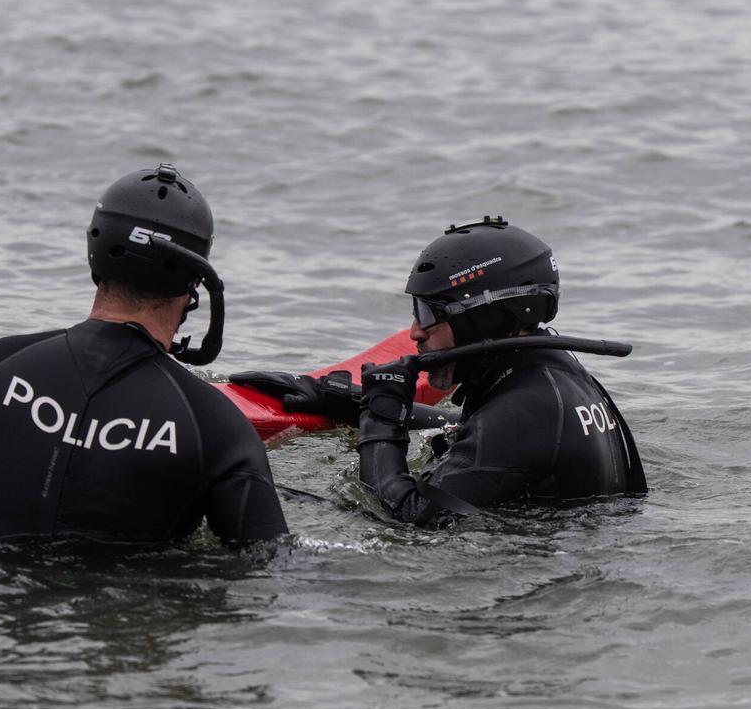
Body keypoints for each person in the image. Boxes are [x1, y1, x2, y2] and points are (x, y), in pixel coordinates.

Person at [0, 163, 288, 547]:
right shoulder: (215, 427)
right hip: (111, 636)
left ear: (95, 255)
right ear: (195, 284)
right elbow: (271, 571)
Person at [234, 216, 646, 523]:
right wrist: (353, 403)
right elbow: (467, 428)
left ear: (482, 319)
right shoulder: (549, 377)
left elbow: (407, 517)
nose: (415, 332)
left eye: (430, 313)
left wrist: (379, 424)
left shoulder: (525, 409)